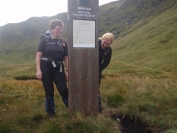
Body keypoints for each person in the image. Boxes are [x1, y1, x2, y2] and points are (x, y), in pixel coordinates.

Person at [35, 19, 68, 117]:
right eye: (58, 29)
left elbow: (66, 58)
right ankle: (50, 112)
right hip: (46, 68)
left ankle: (72, 108)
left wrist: (67, 71)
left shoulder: (63, 42)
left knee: (63, 89)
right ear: (52, 29)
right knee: (49, 91)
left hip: (58, 68)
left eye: (61, 29)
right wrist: (38, 70)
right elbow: (38, 56)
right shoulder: (44, 40)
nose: (60, 31)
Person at [98, 32, 114, 113]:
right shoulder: (94, 43)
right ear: (102, 39)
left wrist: (98, 69)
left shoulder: (109, 50)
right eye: (104, 43)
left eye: (107, 44)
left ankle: (98, 108)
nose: (104, 45)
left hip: (97, 69)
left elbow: (106, 62)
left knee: (96, 88)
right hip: (86, 67)